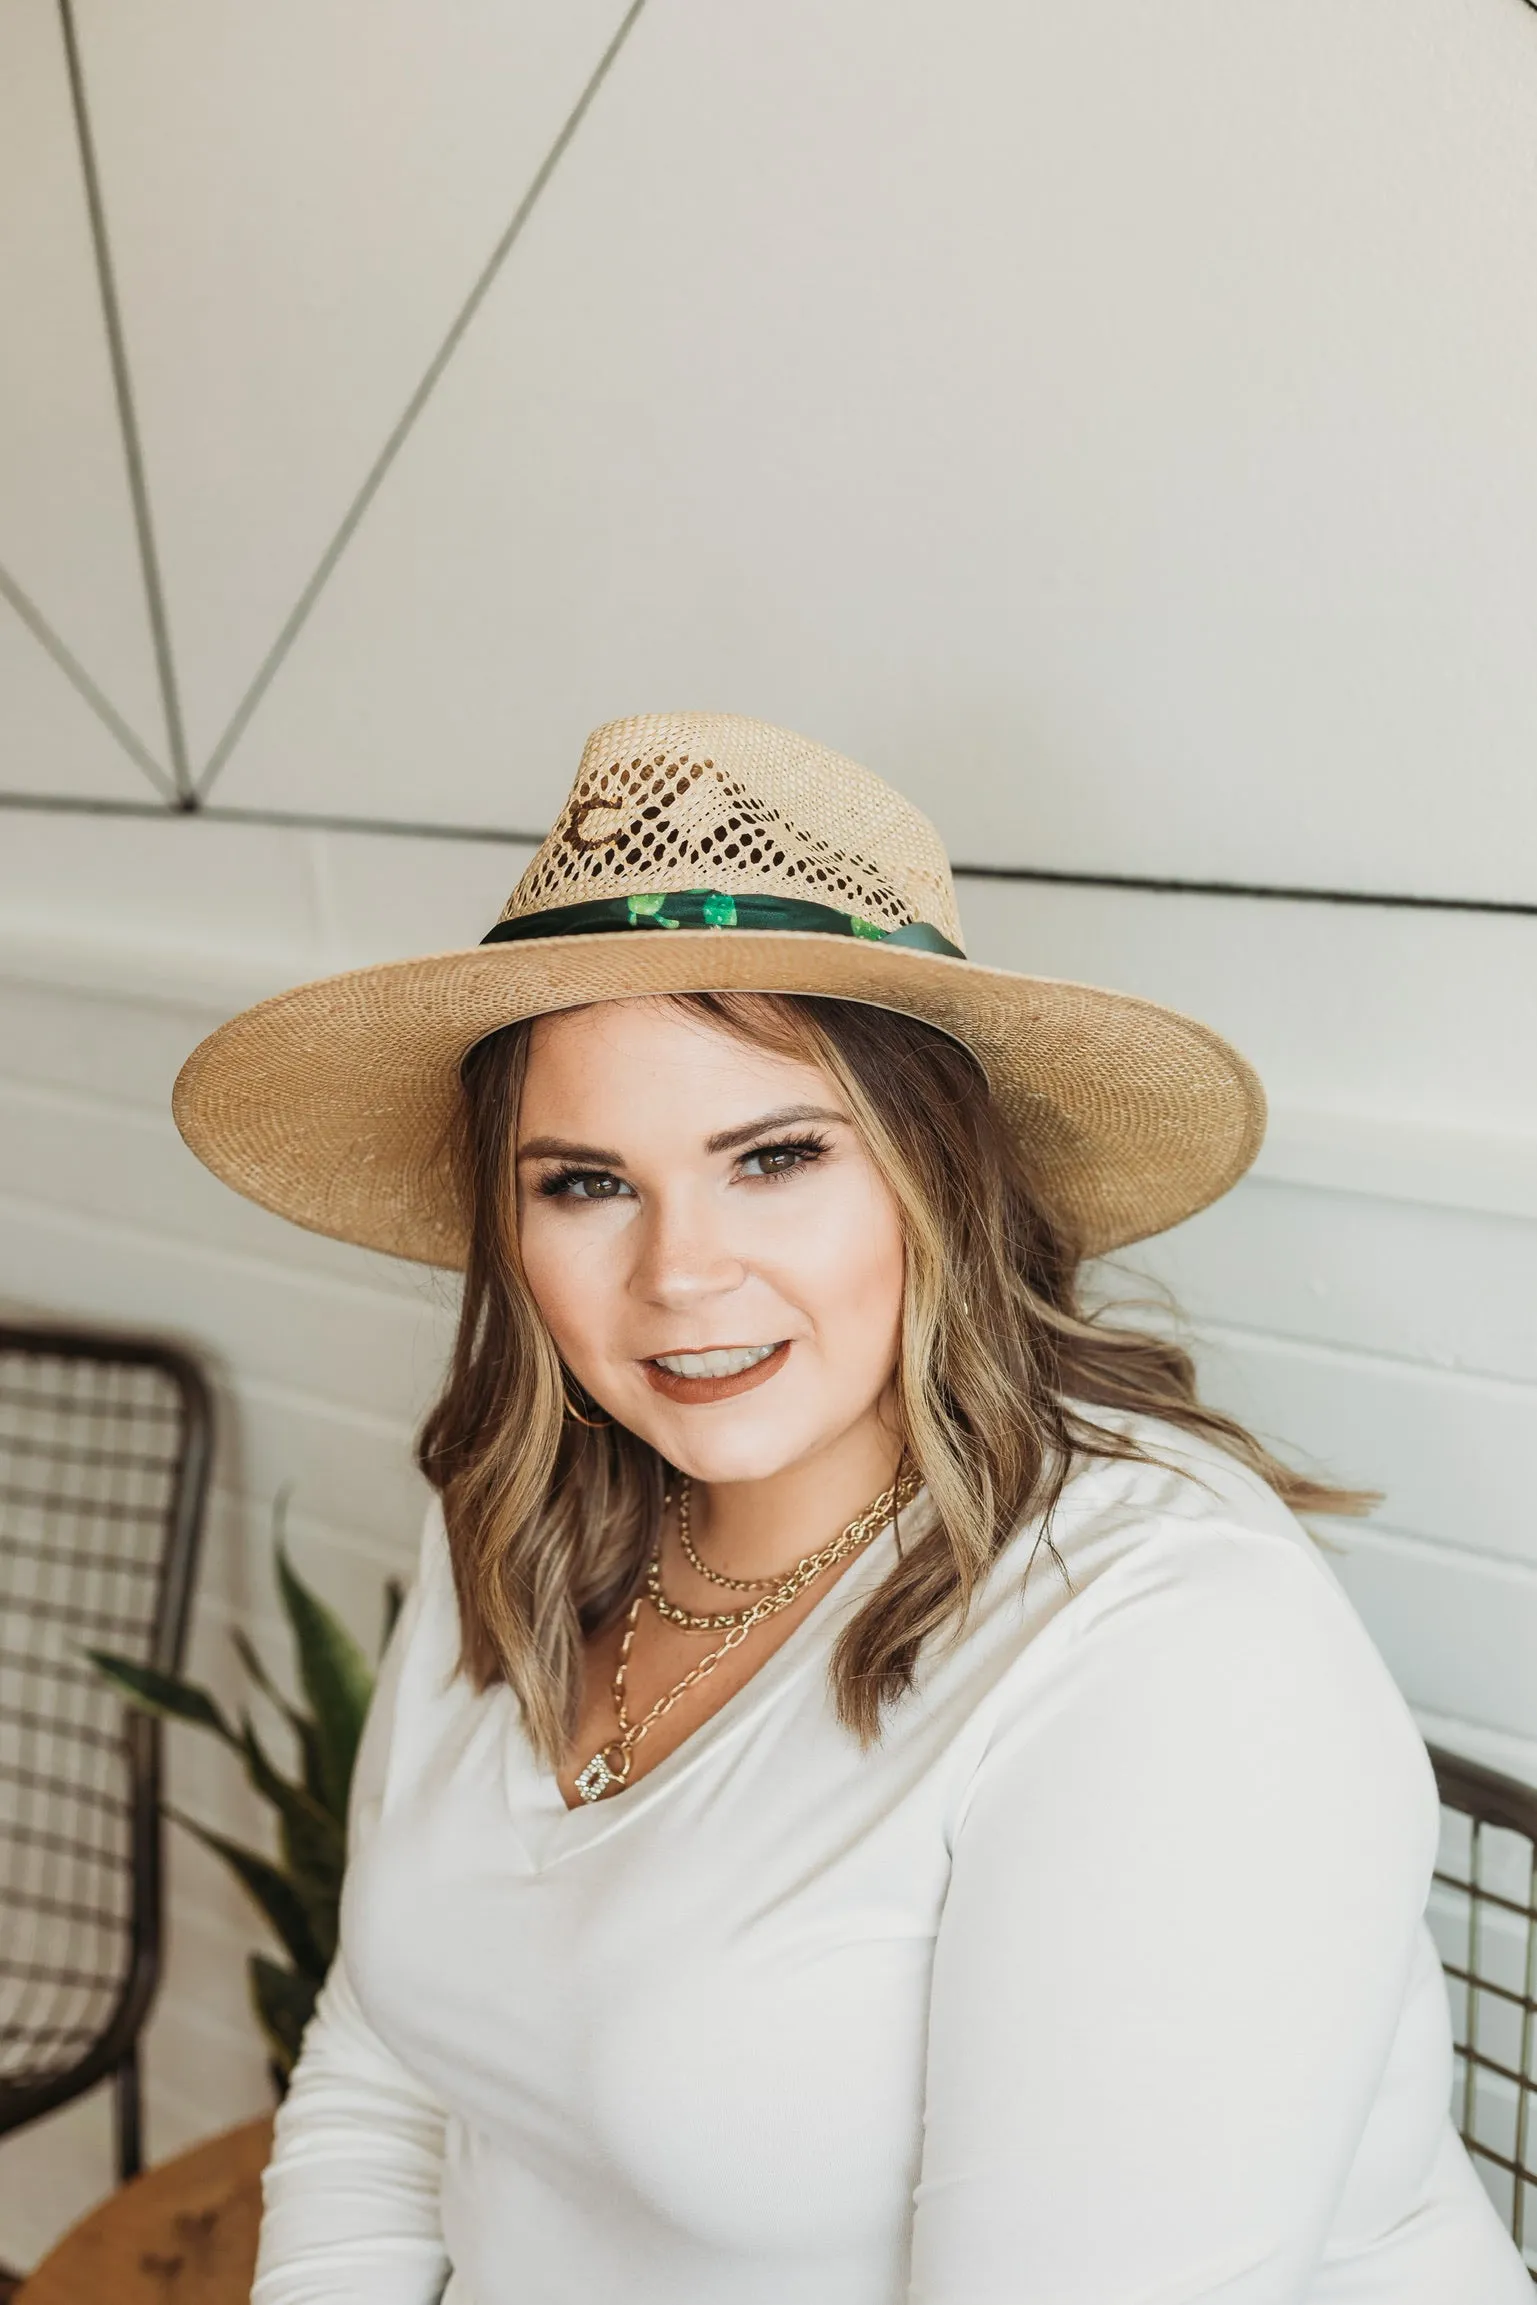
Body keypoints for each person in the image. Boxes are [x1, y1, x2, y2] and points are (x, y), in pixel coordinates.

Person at [174, 714, 1527, 2302]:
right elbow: (387, 2067)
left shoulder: (1168, 1647)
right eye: (585, 1182)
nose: (678, 1272)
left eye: (774, 1156)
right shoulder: (532, 1505)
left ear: (937, 1175)